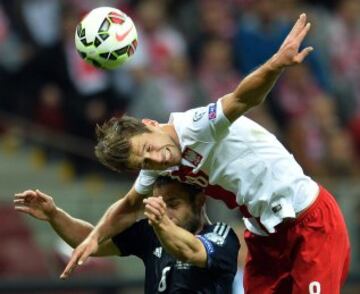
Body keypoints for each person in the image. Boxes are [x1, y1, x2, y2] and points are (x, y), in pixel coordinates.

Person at [20, 13, 349, 293]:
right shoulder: (158, 167)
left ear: (150, 123)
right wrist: (94, 239)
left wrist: (277, 64)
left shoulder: (194, 127)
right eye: (145, 162)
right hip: (265, 235)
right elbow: (127, 205)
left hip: (308, 218)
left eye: (149, 148)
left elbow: (242, 99)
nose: (157, 159)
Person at [14, 177, 240, 293]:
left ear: (199, 202)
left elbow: (190, 251)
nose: (165, 212)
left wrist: (160, 221)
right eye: (160, 204)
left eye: (173, 204)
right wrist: (55, 215)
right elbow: (92, 241)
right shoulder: (151, 233)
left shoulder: (222, 236)